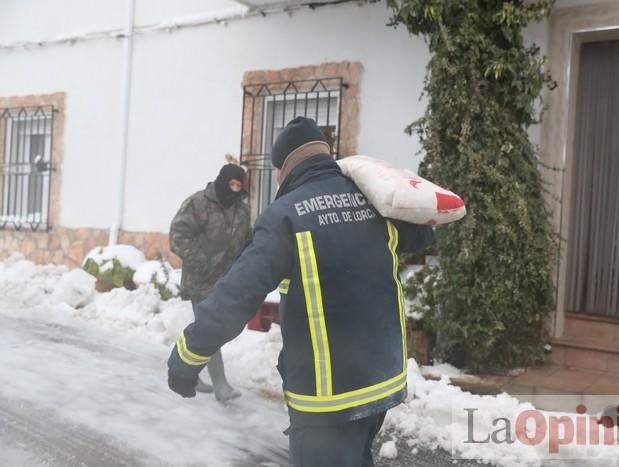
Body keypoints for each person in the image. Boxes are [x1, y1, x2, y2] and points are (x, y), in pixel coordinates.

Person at [167, 117, 433, 466]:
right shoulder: (372, 203)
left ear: (285, 167)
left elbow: (236, 297)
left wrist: (185, 360)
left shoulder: (285, 217)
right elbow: (424, 235)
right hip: (382, 385)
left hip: (327, 400)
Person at [169, 161, 252, 402]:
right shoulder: (198, 204)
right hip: (201, 278)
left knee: (210, 328)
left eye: (239, 184)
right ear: (222, 181)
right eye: (231, 183)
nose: (235, 189)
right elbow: (178, 234)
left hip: (227, 280)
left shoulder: (242, 210)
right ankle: (220, 385)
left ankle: (189, 370)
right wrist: (201, 259)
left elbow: (248, 240)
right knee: (210, 327)